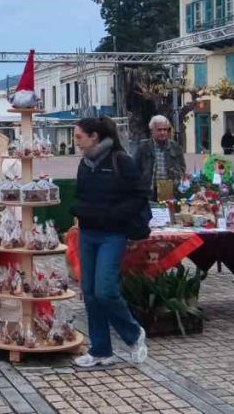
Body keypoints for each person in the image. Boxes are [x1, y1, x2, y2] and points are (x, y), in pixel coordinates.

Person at [71, 116, 150, 368]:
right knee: (91, 294)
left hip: (112, 234)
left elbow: (140, 196)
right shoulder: (84, 164)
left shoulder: (121, 161)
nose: (76, 142)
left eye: (79, 136)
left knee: (106, 290)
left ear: (94, 136)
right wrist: (79, 210)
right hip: (87, 233)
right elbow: (81, 195)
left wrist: (113, 215)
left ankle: (133, 333)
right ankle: (100, 350)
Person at [133, 115, 186, 201]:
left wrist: (177, 180)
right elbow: (135, 170)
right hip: (148, 190)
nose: (163, 132)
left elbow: (182, 167)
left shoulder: (175, 147)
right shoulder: (143, 147)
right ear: (152, 131)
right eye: (159, 130)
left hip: (168, 189)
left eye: (165, 129)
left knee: (165, 213)